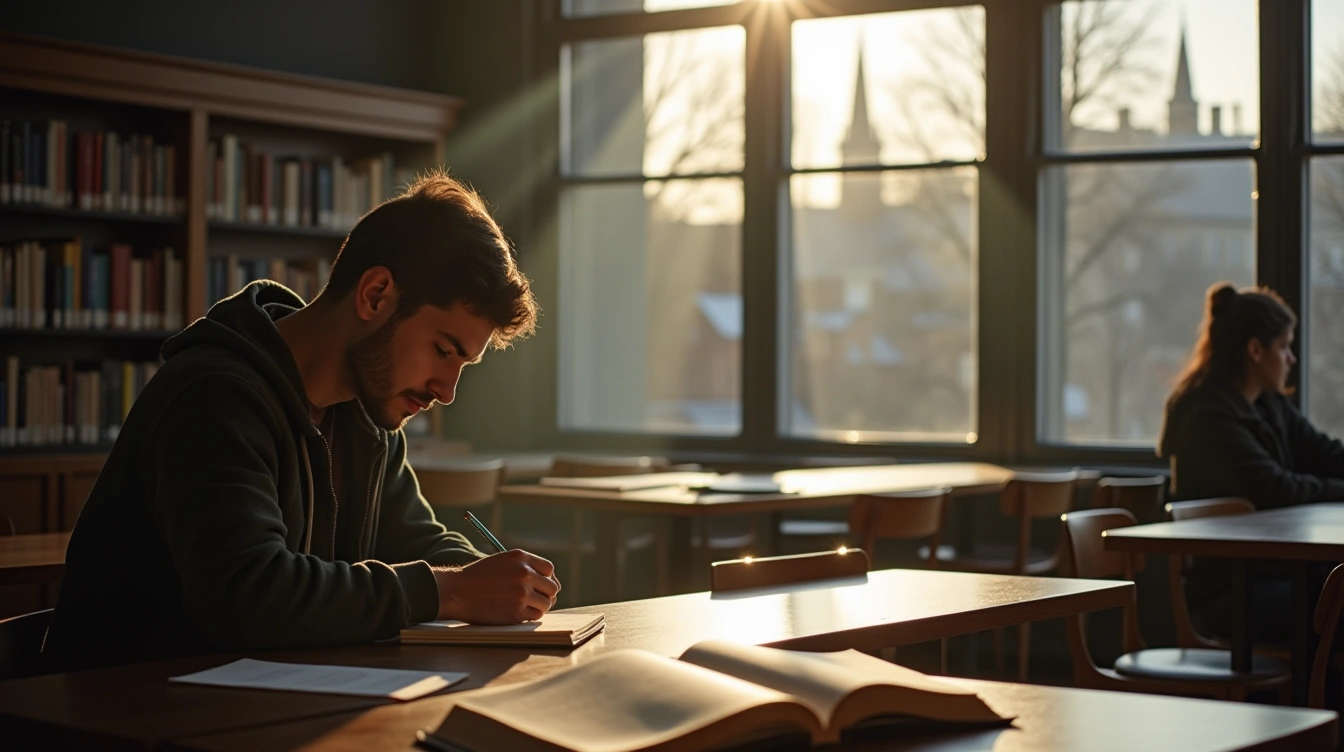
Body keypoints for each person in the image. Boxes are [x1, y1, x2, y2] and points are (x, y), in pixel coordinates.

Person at [43, 172, 559, 670]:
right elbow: (249, 593)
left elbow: (415, 541)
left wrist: (496, 579)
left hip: (263, 701)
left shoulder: (370, 413)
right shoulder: (213, 396)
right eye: (442, 350)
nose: (446, 391)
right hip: (126, 712)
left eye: (461, 365)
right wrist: (459, 591)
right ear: (375, 294)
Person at [1158, 282, 1344, 641]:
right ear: (1256, 350)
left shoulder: (1269, 404)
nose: (1292, 359)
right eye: (1285, 347)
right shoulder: (1206, 418)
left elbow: (1325, 453)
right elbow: (1276, 489)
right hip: (1230, 592)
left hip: (1275, 575)